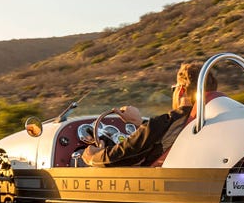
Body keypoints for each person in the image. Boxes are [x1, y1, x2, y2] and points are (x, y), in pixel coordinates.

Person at [82, 62, 217, 167]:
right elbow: (159, 140)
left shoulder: (164, 123)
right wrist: (140, 124)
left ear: (181, 90)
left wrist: (92, 156)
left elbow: (120, 157)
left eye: (173, 89)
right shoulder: (211, 121)